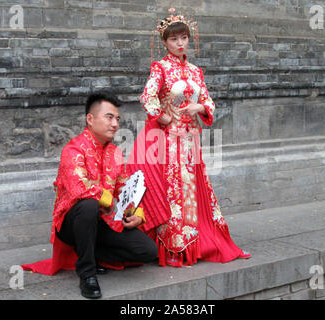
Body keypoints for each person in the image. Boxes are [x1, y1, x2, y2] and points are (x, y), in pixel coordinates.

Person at [127, 8, 251, 267]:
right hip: (169, 141)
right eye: (174, 39)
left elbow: (208, 101)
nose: (180, 43)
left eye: (183, 37)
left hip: (190, 140)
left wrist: (200, 108)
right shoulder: (160, 68)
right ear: (165, 42)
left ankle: (197, 242)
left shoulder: (196, 71)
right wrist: (162, 117)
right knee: (174, 193)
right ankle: (175, 247)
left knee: (193, 192)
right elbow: (147, 98)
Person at [22, 92, 158, 299]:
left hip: (103, 221)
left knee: (148, 250)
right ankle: (87, 273)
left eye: (117, 119)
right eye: (109, 117)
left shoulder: (115, 153)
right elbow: (79, 188)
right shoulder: (73, 149)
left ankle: (94, 256)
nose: (115, 124)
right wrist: (110, 200)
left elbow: (124, 186)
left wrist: (136, 212)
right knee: (88, 205)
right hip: (72, 223)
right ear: (90, 119)